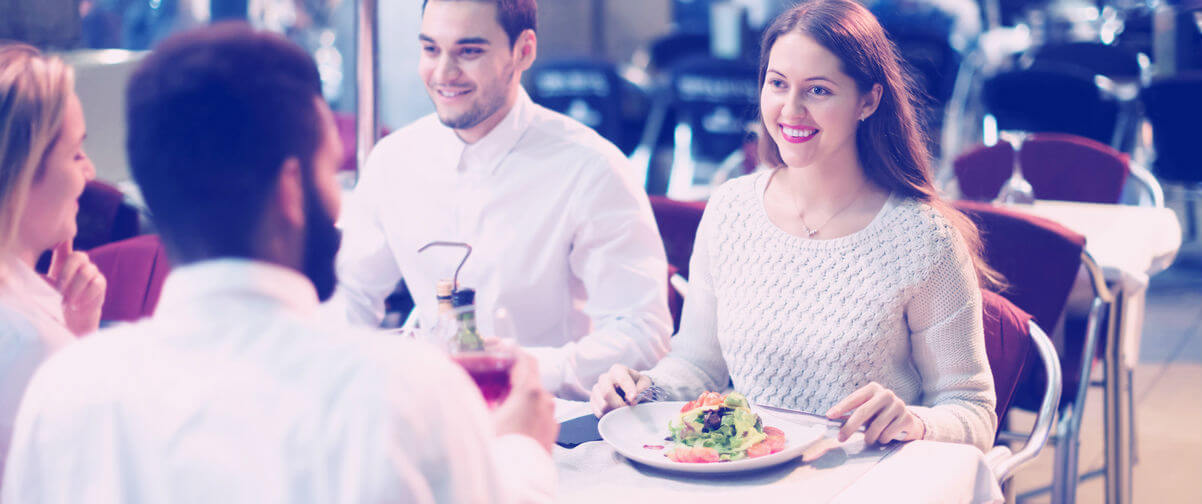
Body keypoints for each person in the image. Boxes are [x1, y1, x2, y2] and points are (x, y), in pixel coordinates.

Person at [2, 24, 557, 503]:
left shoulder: (65, 396)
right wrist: (522, 451)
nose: (339, 205)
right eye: (328, 173)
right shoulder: (403, 396)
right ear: (292, 189)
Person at [590, 0, 1000, 452]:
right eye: (778, 84)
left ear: (869, 100)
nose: (791, 109)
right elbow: (697, 365)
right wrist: (642, 388)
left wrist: (917, 423)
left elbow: (973, 412)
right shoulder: (730, 210)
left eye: (818, 90)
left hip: (870, 482)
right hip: (747, 478)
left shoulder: (924, 240)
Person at [333, 0, 672, 399]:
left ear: (524, 50)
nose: (443, 73)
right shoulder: (394, 161)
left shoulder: (592, 168)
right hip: (425, 414)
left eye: (469, 51)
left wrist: (523, 367)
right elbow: (349, 293)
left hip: (552, 425)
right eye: (430, 49)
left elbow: (643, 333)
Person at [0, 42, 105, 482]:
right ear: (21, 173)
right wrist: (70, 351)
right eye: (75, 153)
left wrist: (73, 334)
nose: (90, 172)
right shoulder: (31, 343)